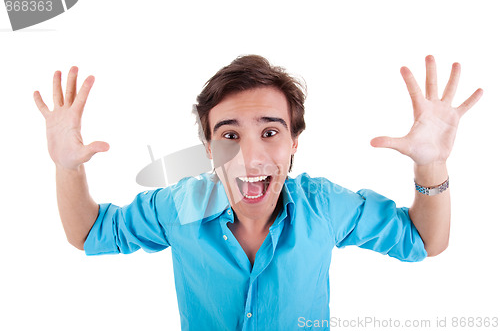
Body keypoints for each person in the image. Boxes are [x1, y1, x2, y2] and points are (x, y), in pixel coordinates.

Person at [34, 55, 482, 330]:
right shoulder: (178, 206)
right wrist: (66, 167)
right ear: (207, 147)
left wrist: (432, 163)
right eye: (229, 136)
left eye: (270, 132)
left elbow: (425, 241)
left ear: (294, 143)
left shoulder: (323, 206)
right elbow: (90, 233)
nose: (250, 157)